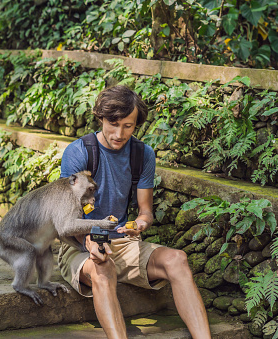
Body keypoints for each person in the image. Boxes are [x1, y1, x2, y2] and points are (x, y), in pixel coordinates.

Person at [58, 85, 212, 339]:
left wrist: (140, 223)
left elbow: (145, 212)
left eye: (128, 126)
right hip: (79, 247)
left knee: (178, 260)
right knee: (102, 269)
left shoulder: (142, 154)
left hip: (124, 242)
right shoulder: (79, 152)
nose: (119, 134)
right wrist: (89, 240)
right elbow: (66, 219)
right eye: (113, 123)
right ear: (101, 117)